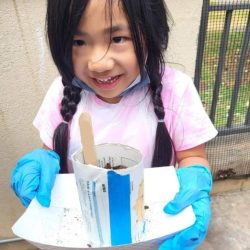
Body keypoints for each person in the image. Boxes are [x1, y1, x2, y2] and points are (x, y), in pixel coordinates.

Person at [11, 0, 218, 249]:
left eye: (118, 38)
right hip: (81, 233)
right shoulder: (60, 92)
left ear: (153, 31)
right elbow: (51, 152)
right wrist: (42, 164)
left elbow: (192, 156)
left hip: (149, 233)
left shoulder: (176, 91)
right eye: (79, 42)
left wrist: (196, 182)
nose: (98, 63)